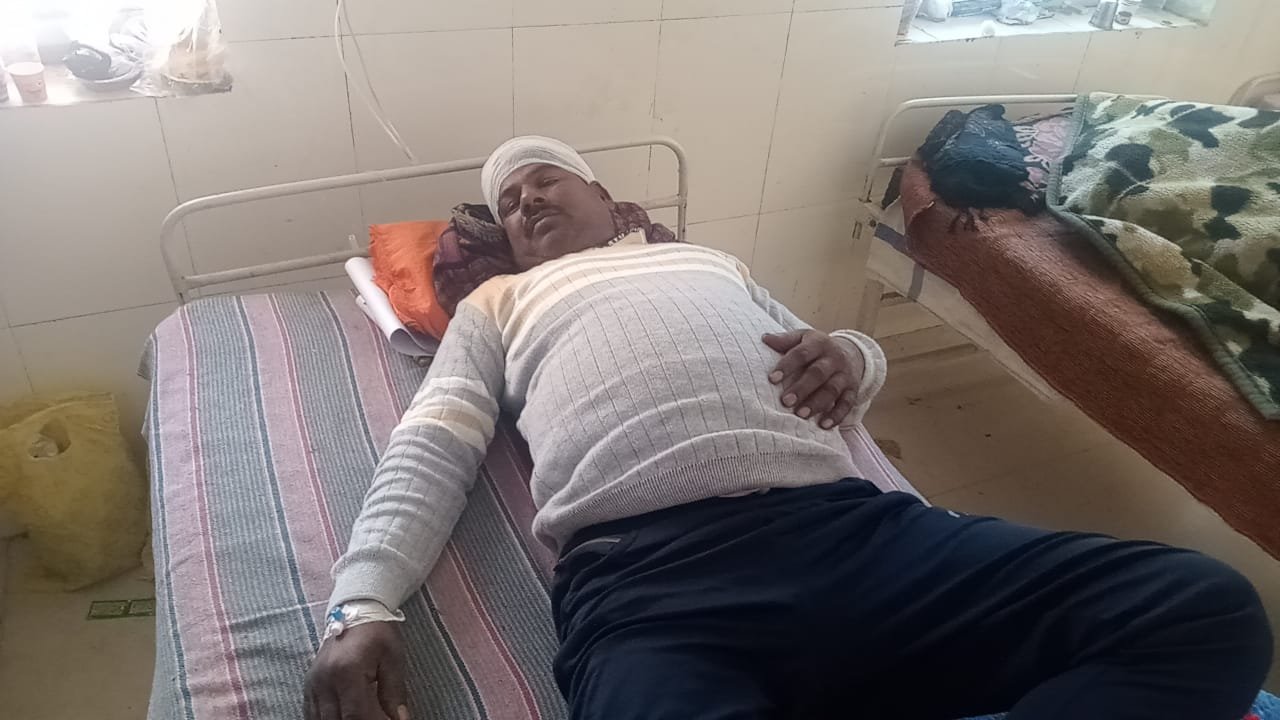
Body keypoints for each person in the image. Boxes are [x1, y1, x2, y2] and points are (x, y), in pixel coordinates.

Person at [305, 137, 1272, 720]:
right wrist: (363, 604)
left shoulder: (707, 263)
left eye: (544, 181)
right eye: (510, 205)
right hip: (653, 589)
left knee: (1200, 609)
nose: (525, 204)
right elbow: (435, 439)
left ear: (604, 196)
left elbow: (836, 352)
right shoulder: (499, 303)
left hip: (855, 537)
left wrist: (853, 353)